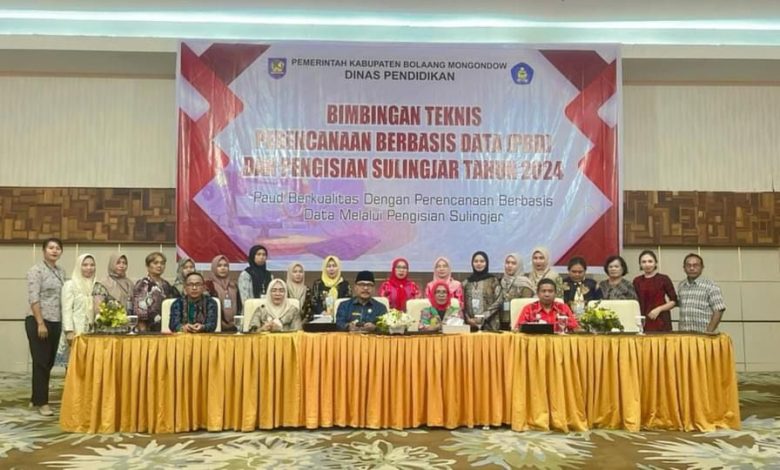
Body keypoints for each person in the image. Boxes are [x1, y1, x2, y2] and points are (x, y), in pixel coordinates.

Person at [25, 238, 66, 416]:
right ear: (44, 251)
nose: (54, 251)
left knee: (47, 362)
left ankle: (36, 397)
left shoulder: (61, 271)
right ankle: (43, 403)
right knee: (41, 361)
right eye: (51, 248)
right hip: (38, 320)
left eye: (58, 248)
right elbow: (33, 298)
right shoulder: (36, 271)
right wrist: (40, 322)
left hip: (56, 320)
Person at [59, 254, 107, 366]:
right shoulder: (70, 285)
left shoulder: (97, 286)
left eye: (92, 265)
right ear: (78, 266)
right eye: (85, 265)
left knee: (91, 364)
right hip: (76, 330)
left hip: (93, 332)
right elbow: (66, 309)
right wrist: (69, 331)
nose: (89, 268)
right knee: (74, 365)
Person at [677, 253, 727, 333]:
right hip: (685, 335)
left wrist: (709, 332)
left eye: (695, 265)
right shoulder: (681, 285)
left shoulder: (711, 286)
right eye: (688, 265)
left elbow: (719, 310)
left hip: (704, 335)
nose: (692, 268)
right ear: (684, 268)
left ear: (702, 267)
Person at [632, 250, 677, 332]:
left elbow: (674, 301)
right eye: (644, 262)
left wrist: (659, 309)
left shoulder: (664, 279)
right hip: (643, 319)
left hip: (661, 319)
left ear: (655, 263)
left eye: (650, 261)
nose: (647, 264)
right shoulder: (637, 281)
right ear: (640, 264)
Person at [488, 253, 535, 330]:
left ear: (519, 266)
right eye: (507, 263)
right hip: (500, 322)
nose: (509, 265)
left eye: (513, 263)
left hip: (517, 323)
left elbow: (526, 306)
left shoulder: (525, 284)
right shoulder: (500, 282)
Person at [132, 251, 176, 332]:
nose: (159, 265)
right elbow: (140, 312)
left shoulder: (166, 284)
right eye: (155, 263)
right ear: (148, 266)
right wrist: (143, 332)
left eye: (162, 263)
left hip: (166, 327)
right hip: (148, 329)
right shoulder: (143, 284)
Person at [514, 278, 579, 333]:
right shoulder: (529, 308)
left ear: (555, 293)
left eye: (550, 291)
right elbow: (518, 329)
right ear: (538, 293)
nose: (547, 294)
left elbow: (575, 328)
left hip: (559, 342)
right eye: (543, 291)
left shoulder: (563, 308)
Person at [462, 251, 501, 331]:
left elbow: (499, 301)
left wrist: (483, 317)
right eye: (476, 261)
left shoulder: (493, 281)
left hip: (490, 325)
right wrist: (468, 319)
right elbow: (462, 303)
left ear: (486, 263)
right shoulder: (466, 283)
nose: (478, 264)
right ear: (472, 263)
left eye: (482, 261)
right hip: (471, 325)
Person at [205, 254, 240, 332]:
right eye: (219, 266)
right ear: (214, 268)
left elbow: (239, 306)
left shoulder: (233, 285)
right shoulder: (208, 285)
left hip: (234, 327)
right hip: (216, 327)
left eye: (225, 265)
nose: (223, 268)